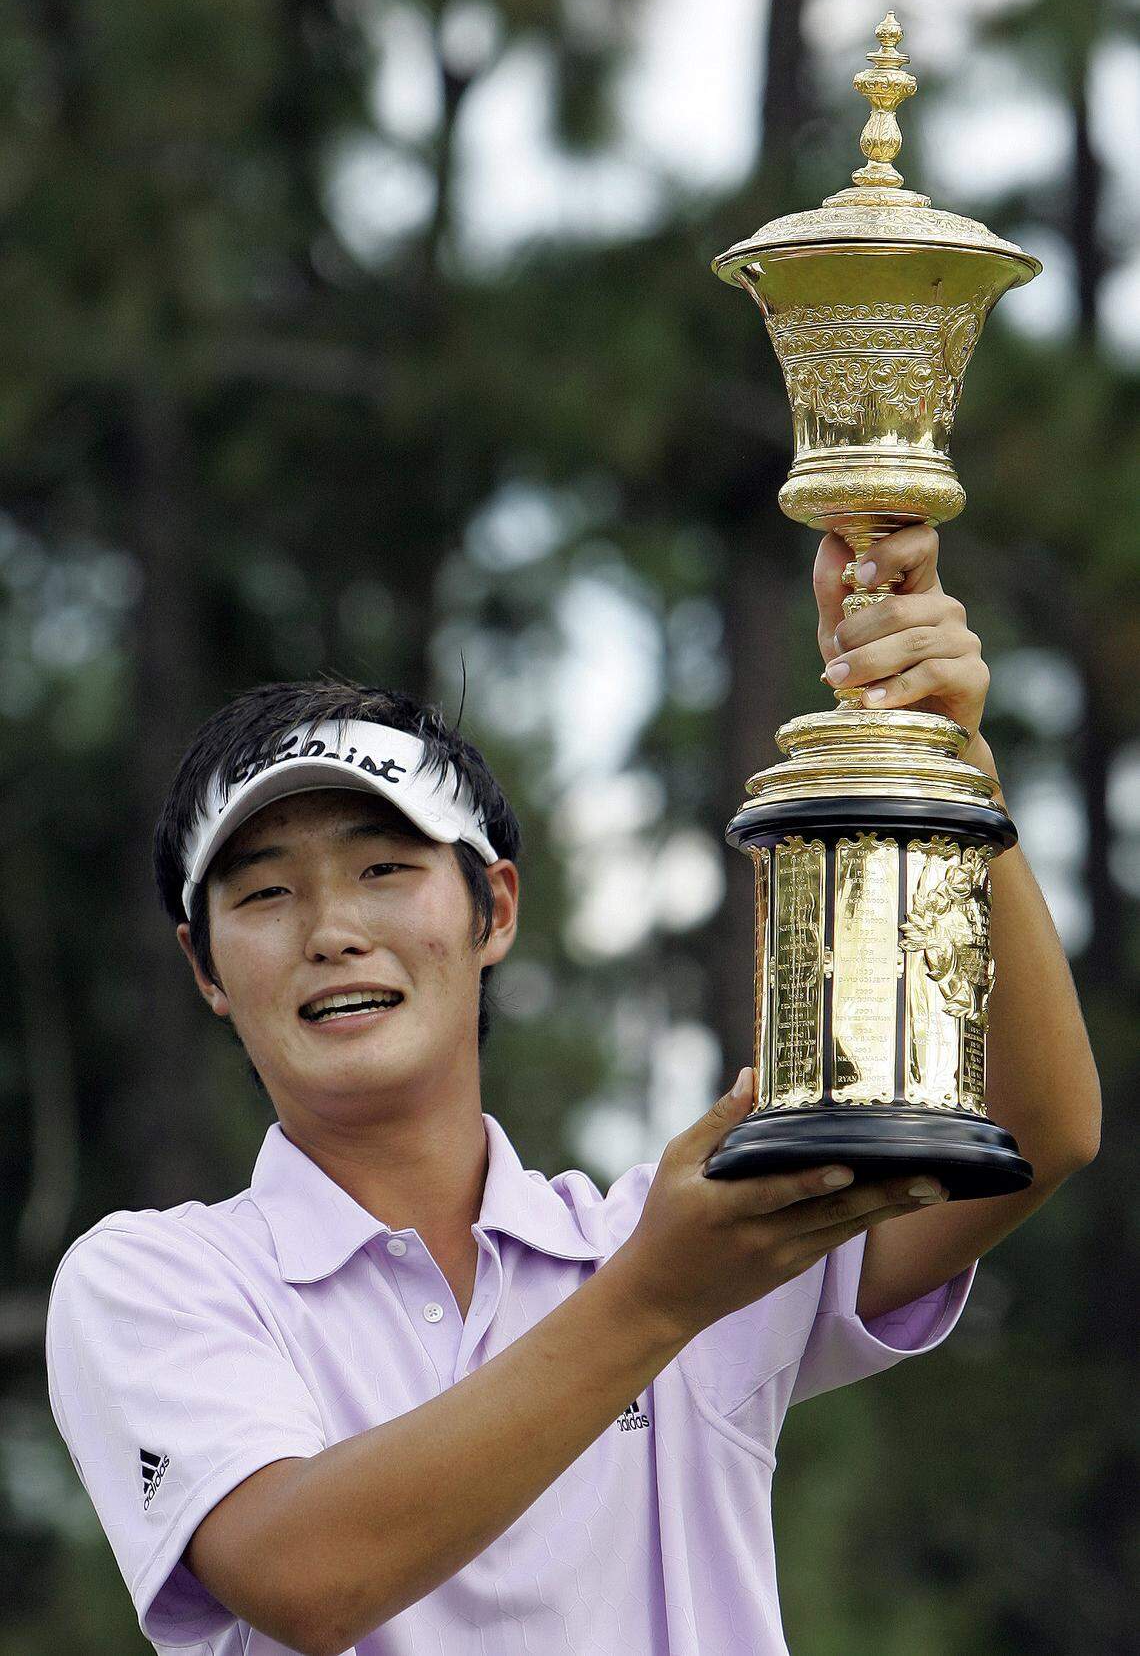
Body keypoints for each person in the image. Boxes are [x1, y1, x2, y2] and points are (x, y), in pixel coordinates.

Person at [45, 524, 1100, 1656]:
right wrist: (657, 1297)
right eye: (262, 896)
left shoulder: (665, 1234)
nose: (333, 930)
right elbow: (306, 1574)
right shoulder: (154, 1280)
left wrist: (949, 762)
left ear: (494, 908)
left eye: (386, 868)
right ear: (205, 967)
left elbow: (1036, 1128)